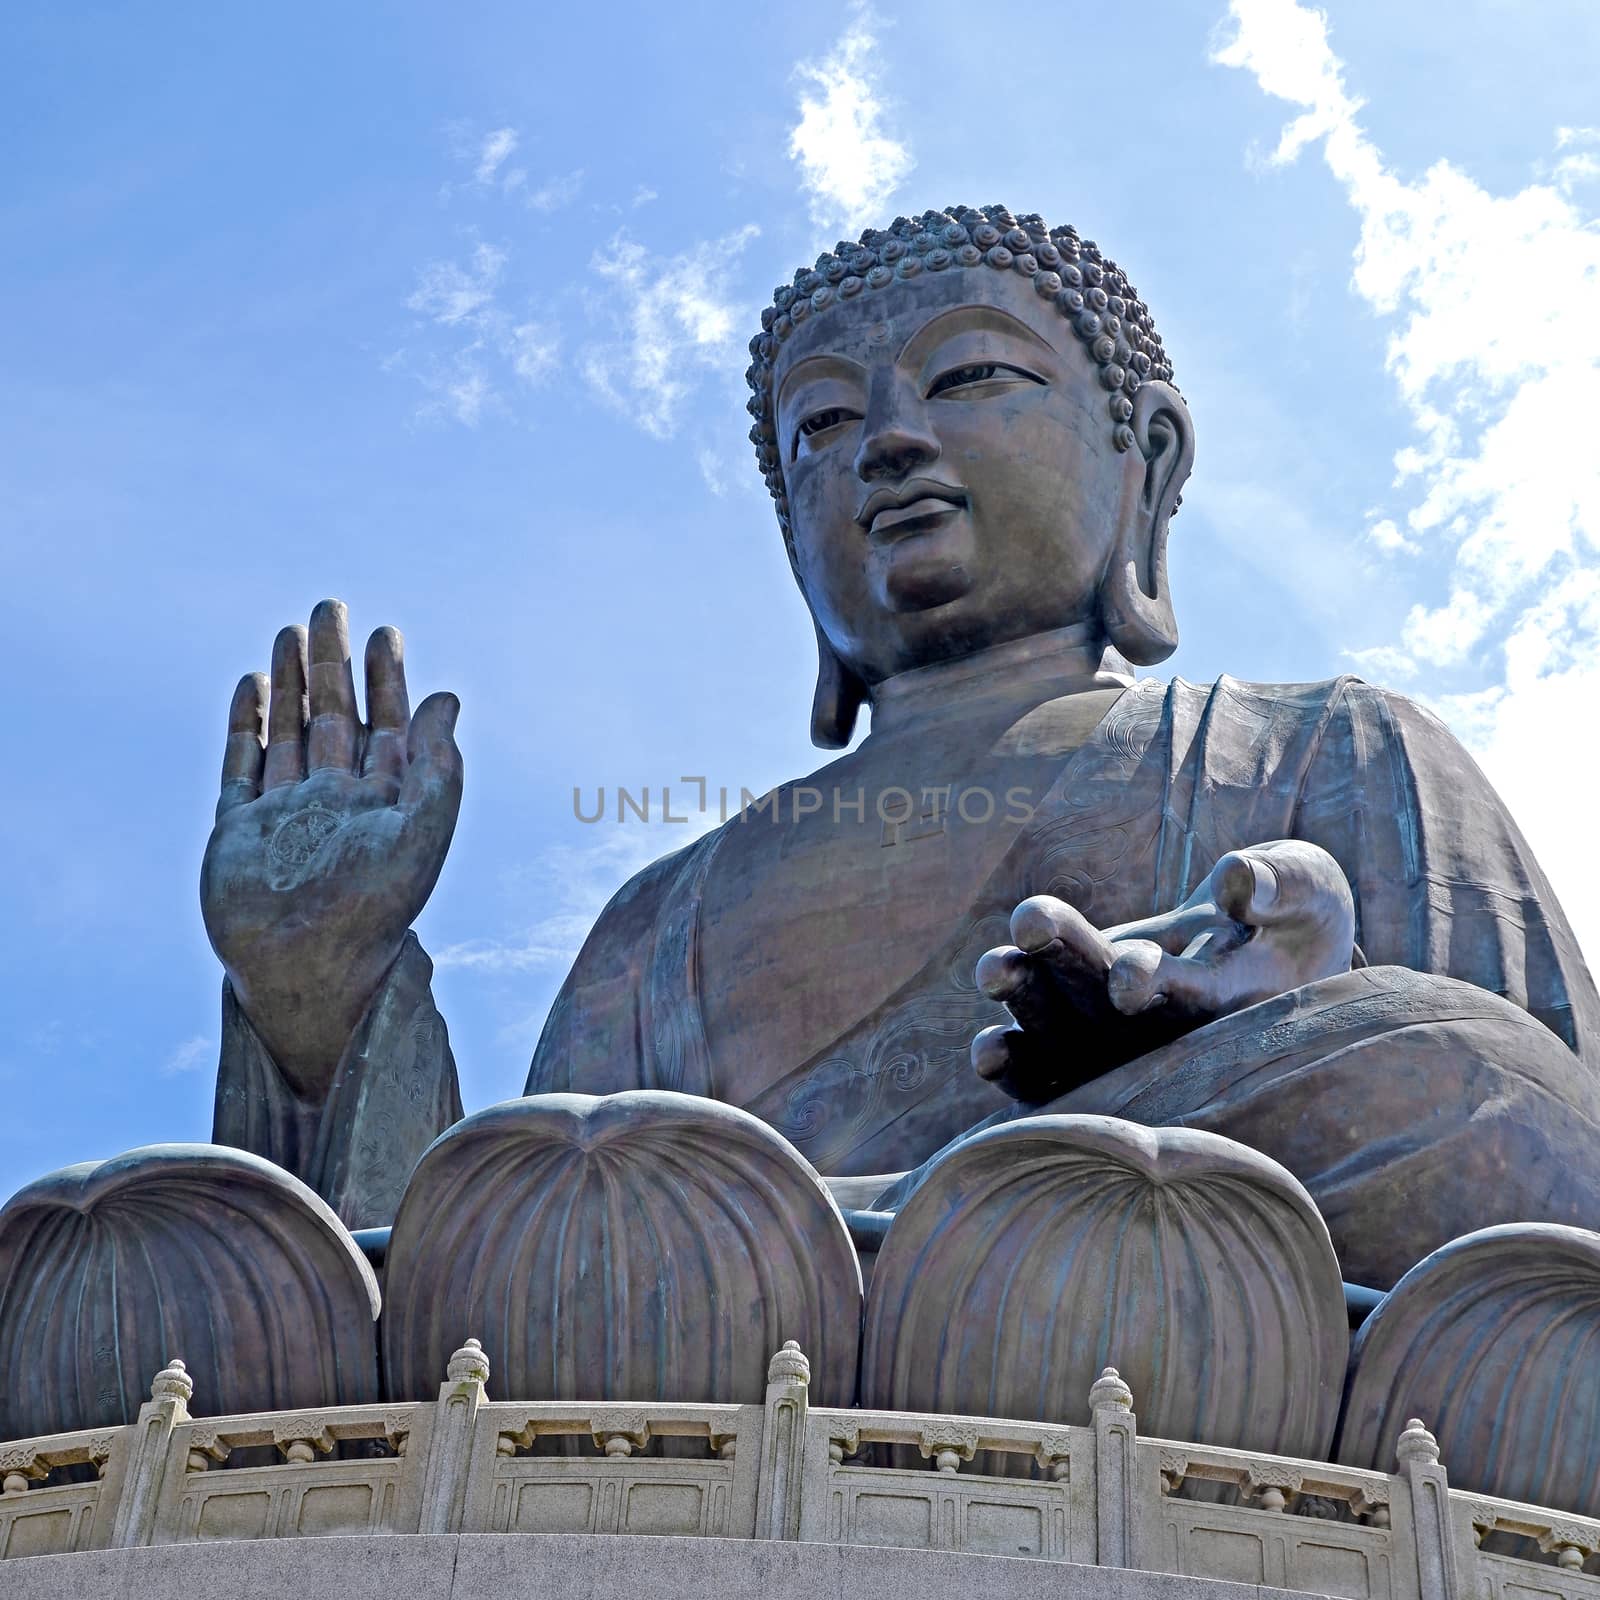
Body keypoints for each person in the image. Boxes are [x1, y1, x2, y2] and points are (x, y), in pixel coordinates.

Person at [201, 206, 1600, 1284]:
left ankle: (970, 1222)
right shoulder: (660, 915)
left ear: (1146, 463)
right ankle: (905, 1240)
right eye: (821, 423)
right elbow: (464, 1263)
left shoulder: (1331, 746)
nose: (885, 443)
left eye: (971, 375)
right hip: (713, 1328)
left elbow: (1550, 1159)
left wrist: (1269, 1016)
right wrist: (320, 994)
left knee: (1433, 1064)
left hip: (1163, 1291)